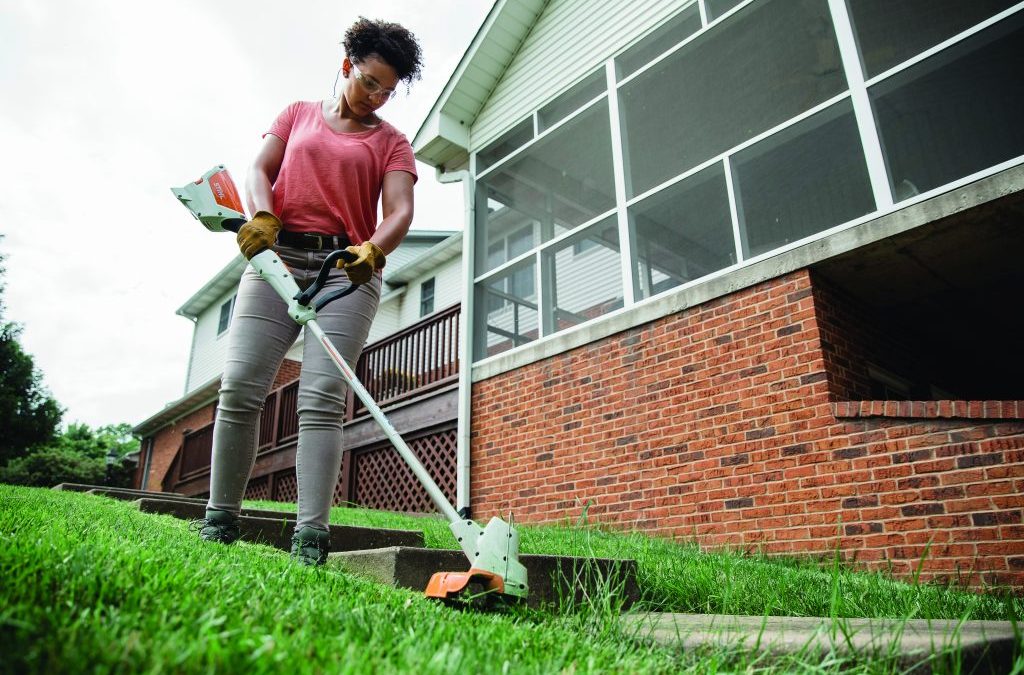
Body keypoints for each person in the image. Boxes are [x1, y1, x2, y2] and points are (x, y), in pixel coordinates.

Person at [193, 17, 422, 566]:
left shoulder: (392, 142)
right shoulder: (296, 114)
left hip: (346, 270)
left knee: (321, 400)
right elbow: (259, 169)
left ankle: (310, 537)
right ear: (347, 66)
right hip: (277, 258)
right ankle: (220, 520)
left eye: (388, 90)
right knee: (241, 388)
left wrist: (374, 249)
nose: (377, 97)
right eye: (369, 81)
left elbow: (402, 210)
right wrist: (264, 216)